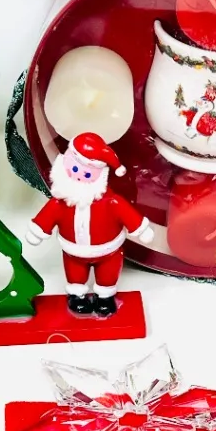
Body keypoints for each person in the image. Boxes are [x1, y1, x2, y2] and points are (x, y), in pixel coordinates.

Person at [24, 132, 155, 316]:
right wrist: (37, 231)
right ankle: (77, 296)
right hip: (74, 253)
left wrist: (141, 229)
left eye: (86, 174)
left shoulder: (111, 202)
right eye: (74, 169)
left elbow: (127, 214)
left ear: (101, 175)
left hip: (109, 253)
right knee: (75, 275)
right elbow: (47, 216)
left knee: (107, 275)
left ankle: (105, 298)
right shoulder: (61, 202)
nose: (78, 176)